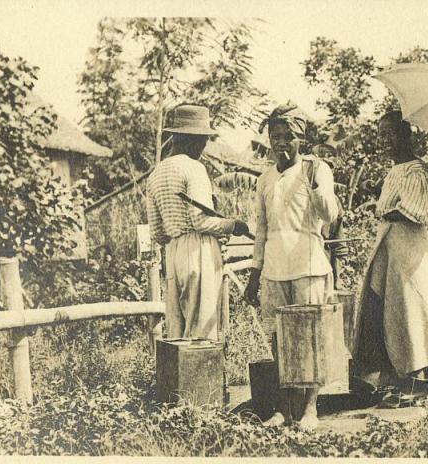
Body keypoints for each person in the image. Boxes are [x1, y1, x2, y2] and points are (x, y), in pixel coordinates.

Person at [244, 102, 341, 430]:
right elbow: (262, 229)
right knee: (277, 341)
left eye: (288, 136)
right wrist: (254, 275)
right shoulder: (265, 179)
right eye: (275, 136)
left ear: (302, 140)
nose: (280, 143)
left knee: (310, 337)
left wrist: (314, 181)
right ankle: (284, 410)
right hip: (274, 269)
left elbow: (330, 214)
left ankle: (310, 409)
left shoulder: (317, 169)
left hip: (308, 266)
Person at [352, 110, 428, 396]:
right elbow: (389, 210)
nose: (384, 140)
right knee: (388, 311)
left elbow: (413, 211)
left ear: (406, 136)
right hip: (390, 249)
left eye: (391, 134)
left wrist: (388, 211)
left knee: (414, 311)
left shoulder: (416, 171)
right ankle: (397, 377)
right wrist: (386, 211)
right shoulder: (395, 171)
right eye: (381, 135)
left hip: (409, 251)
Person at [146, 105, 251, 340]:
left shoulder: (156, 174)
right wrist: (231, 225)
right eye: (203, 141)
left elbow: (156, 232)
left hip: (172, 254)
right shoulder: (193, 168)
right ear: (193, 140)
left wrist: (177, 237)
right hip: (198, 252)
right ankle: (203, 377)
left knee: (177, 330)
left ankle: (178, 377)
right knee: (201, 331)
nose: (203, 148)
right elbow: (201, 221)